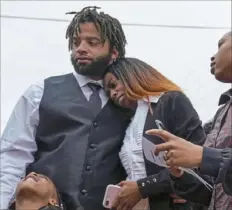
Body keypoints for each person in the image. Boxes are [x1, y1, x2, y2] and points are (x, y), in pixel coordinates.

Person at [0, 6, 132, 210]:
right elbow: (12, 157)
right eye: (76, 42)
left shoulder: (131, 101)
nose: (80, 48)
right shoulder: (40, 92)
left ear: (114, 52)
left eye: (92, 42)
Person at [103, 57, 206, 210]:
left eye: (113, 85)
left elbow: (198, 155)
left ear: (131, 74)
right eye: (108, 92)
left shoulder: (171, 100)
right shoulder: (129, 124)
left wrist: (143, 187)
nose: (112, 94)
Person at [146, 31, 232, 209]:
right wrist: (179, 174)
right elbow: (212, 193)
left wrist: (203, 157)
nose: (213, 56)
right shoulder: (222, 113)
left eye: (220, 45)